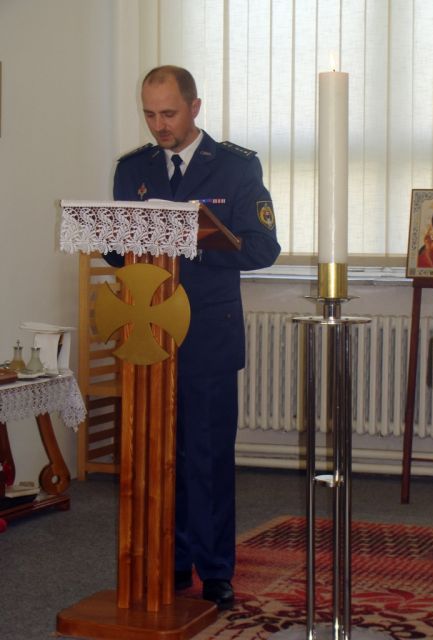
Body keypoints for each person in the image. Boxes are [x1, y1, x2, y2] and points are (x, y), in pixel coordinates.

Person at [108, 65, 281, 610]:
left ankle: (216, 568)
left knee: (206, 456)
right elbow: (119, 251)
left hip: (207, 333)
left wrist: (194, 243)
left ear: (195, 107)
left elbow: (262, 248)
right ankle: (171, 558)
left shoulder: (234, 167)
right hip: (148, 332)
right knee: (157, 453)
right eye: (150, 114)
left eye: (169, 113)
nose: (159, 125)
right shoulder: (132, 169)